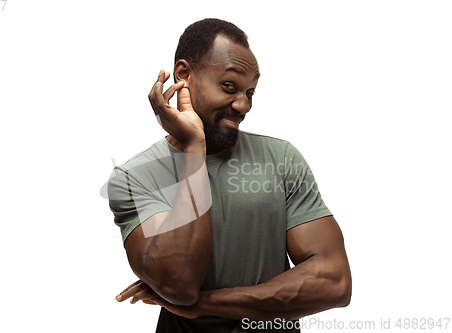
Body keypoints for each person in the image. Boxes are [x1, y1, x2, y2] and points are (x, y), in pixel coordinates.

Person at [108, 18, 351, 332]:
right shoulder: (135, 176)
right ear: (183, 75)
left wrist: (205, 304)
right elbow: (179, 284)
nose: (244, 104)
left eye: (250, 91)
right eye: (229, 87)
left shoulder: (281, 159)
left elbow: (334, 282)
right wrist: (195, 146)